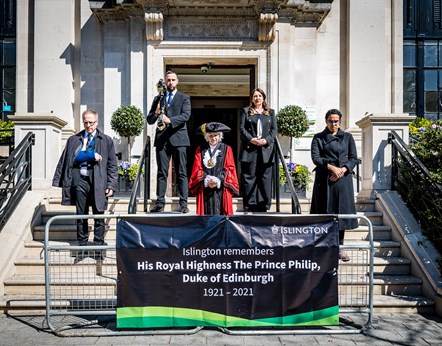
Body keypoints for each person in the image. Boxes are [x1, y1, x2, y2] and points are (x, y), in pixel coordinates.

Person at [52, 109, 118, 257]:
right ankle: (81, 247)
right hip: (80, 182)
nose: (88, 126)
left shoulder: (106, 140)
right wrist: (89, 155)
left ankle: (98, 248)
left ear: (97, 122)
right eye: (86, 122)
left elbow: (112, 165)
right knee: (81, 216)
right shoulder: (74, 139)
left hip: (98, 183)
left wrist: (111, 185)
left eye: (91, 123)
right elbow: (70, 159)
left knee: (99, 216)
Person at [310, 109, 359, 262]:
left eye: (336, 121)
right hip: (325, 180)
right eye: (331, 121)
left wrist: (343, 170)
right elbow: (316, 158)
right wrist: (332, 168)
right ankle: (325, 248)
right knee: (325, 212)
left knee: (341, 214)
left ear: (340, 121)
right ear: (326, 121)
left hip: (343, 180)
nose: (334, 124)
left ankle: (340, 248)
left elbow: (353, 158)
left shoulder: (348, 137)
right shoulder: (318, 138)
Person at [147, 70, 191, 213]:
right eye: (168, 80)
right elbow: (149, 120)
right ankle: (160, 203)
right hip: (162, 140)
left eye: (173, 80)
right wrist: (156, 112)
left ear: (177, 81)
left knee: (181, 173)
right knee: (162, 172)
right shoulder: (158, 98)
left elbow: (186, 116)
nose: (170, 82)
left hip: (179, 139)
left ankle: (183, 204)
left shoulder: (184, 98)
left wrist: (169, 120)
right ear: (165, 82)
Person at [239, 88, 277, 212]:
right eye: (255, 96)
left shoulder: (270, 112)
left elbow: (274, 130)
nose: (257, 98)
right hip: (250, 150)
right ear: (252, 99)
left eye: (259, 96)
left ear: (263, 98)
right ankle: (250, 204)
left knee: (265, 178)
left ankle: (264, 205)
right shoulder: (246, 111)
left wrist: (266, 140)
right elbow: (242, 129)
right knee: (249, 177)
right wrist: (251, 139)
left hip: (266, 150)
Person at [189, 122, 239, 215]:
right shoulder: (200, 149)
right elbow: (197, 168)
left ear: (219, 136)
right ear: (207, 137)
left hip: (221, 186)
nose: (213, 138)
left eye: (216, 135)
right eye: (211, 136)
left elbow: (230, 168)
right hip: (205, 186)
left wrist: (218, 179)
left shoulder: (227, 149)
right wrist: (206, 179)